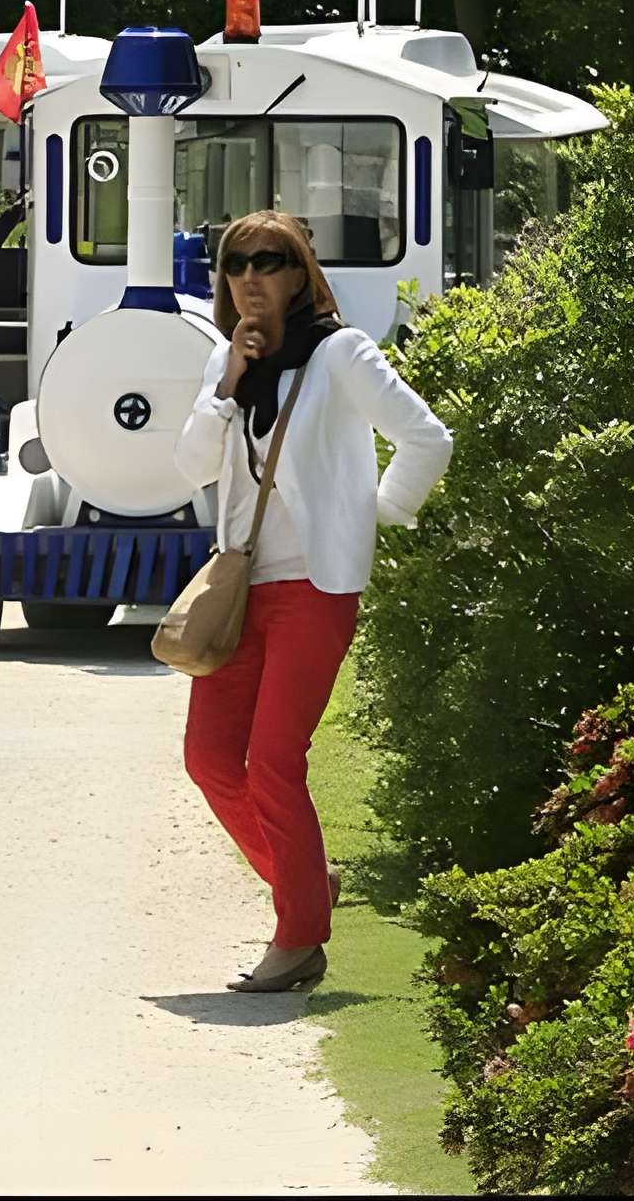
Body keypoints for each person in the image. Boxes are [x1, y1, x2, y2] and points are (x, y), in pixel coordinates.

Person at [171, 209, 452, 995]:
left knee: (273, 762)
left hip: (314, 587)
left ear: (300, 274)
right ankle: (304, 887)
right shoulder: (224, 365)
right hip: (241, 587)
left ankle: (298, 938)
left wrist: (374, 513)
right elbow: (191, 465)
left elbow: (427, 439)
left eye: (270, 261)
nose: (251, 277)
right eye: (235, 264)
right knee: (210, 760)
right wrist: (227, 384)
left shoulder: (341, 353)